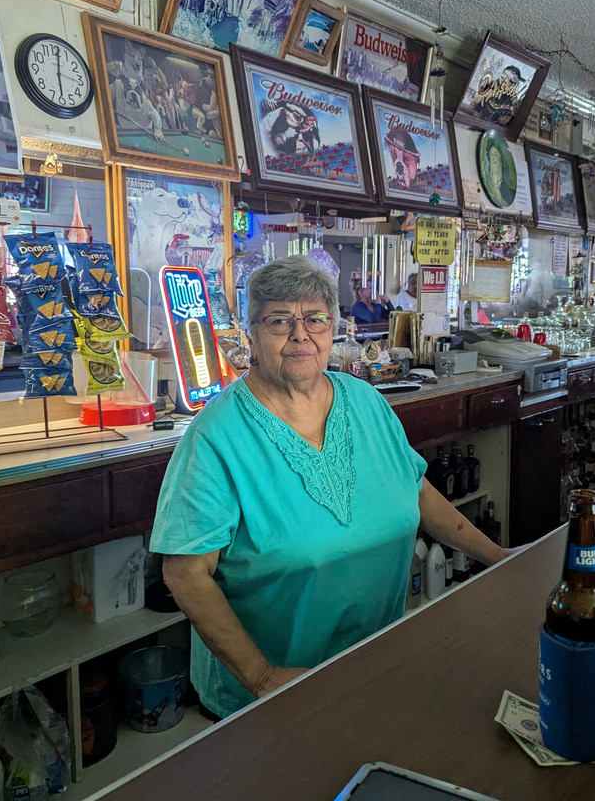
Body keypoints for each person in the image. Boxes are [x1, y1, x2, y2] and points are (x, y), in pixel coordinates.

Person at [150, 255, 512, 719]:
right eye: (280, 320)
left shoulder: (364, 400)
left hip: (375, 661)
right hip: (272, 693)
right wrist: (262, 677)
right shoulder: (215, 436)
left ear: (333, 329)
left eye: (316, 319)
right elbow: (184, 573)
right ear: (250, 337)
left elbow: (416, 491)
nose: (300, 334)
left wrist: (497, 558)